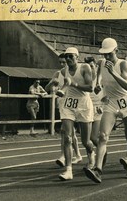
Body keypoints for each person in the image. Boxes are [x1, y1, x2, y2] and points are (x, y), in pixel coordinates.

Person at [84, 38, 127, 183]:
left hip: (125, 103)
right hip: (111, 104)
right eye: (104, 54)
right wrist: (98, 85)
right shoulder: (101, 63)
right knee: (102, 136)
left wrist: (113, 72)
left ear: (116, 51)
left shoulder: (123, 64)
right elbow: (99, 78)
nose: (106, 57)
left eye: (109, 54)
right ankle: (98, 170)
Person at [54, 47, 95, 180]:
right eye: (66, 57)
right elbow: (66, 84)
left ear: (77, 57)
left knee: (85, 141)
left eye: (71, 56)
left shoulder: (85, 68)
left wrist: (74, 84)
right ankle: (68, 170)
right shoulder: (64, 70)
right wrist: (61, 90)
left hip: (83, 105)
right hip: (69, 105)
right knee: (67, 137)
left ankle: (92, 154)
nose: (68, 59)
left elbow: (90, 88)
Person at [45, 53, 82, 167]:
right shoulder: (58, 73)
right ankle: (76, 155)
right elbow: (47, 89)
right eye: (60, 62)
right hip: (63, 106)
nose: (62, 64)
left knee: (68, 133)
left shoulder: (74, 73)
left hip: (77, 105)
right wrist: (52, 83)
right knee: (68, 133)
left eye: (64, 62)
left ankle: (65, 156)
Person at [84, 56, 105, 164]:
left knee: (93, 137)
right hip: (87, 109)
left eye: (92, 66)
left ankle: (102, 150)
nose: (90, 69)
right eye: (88, 67)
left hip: (98, 111)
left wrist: (103, 106)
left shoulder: (101, 79)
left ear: (96, 66)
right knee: (86, 139)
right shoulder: (85, 78)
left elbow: (108, 95)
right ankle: (91, 160)